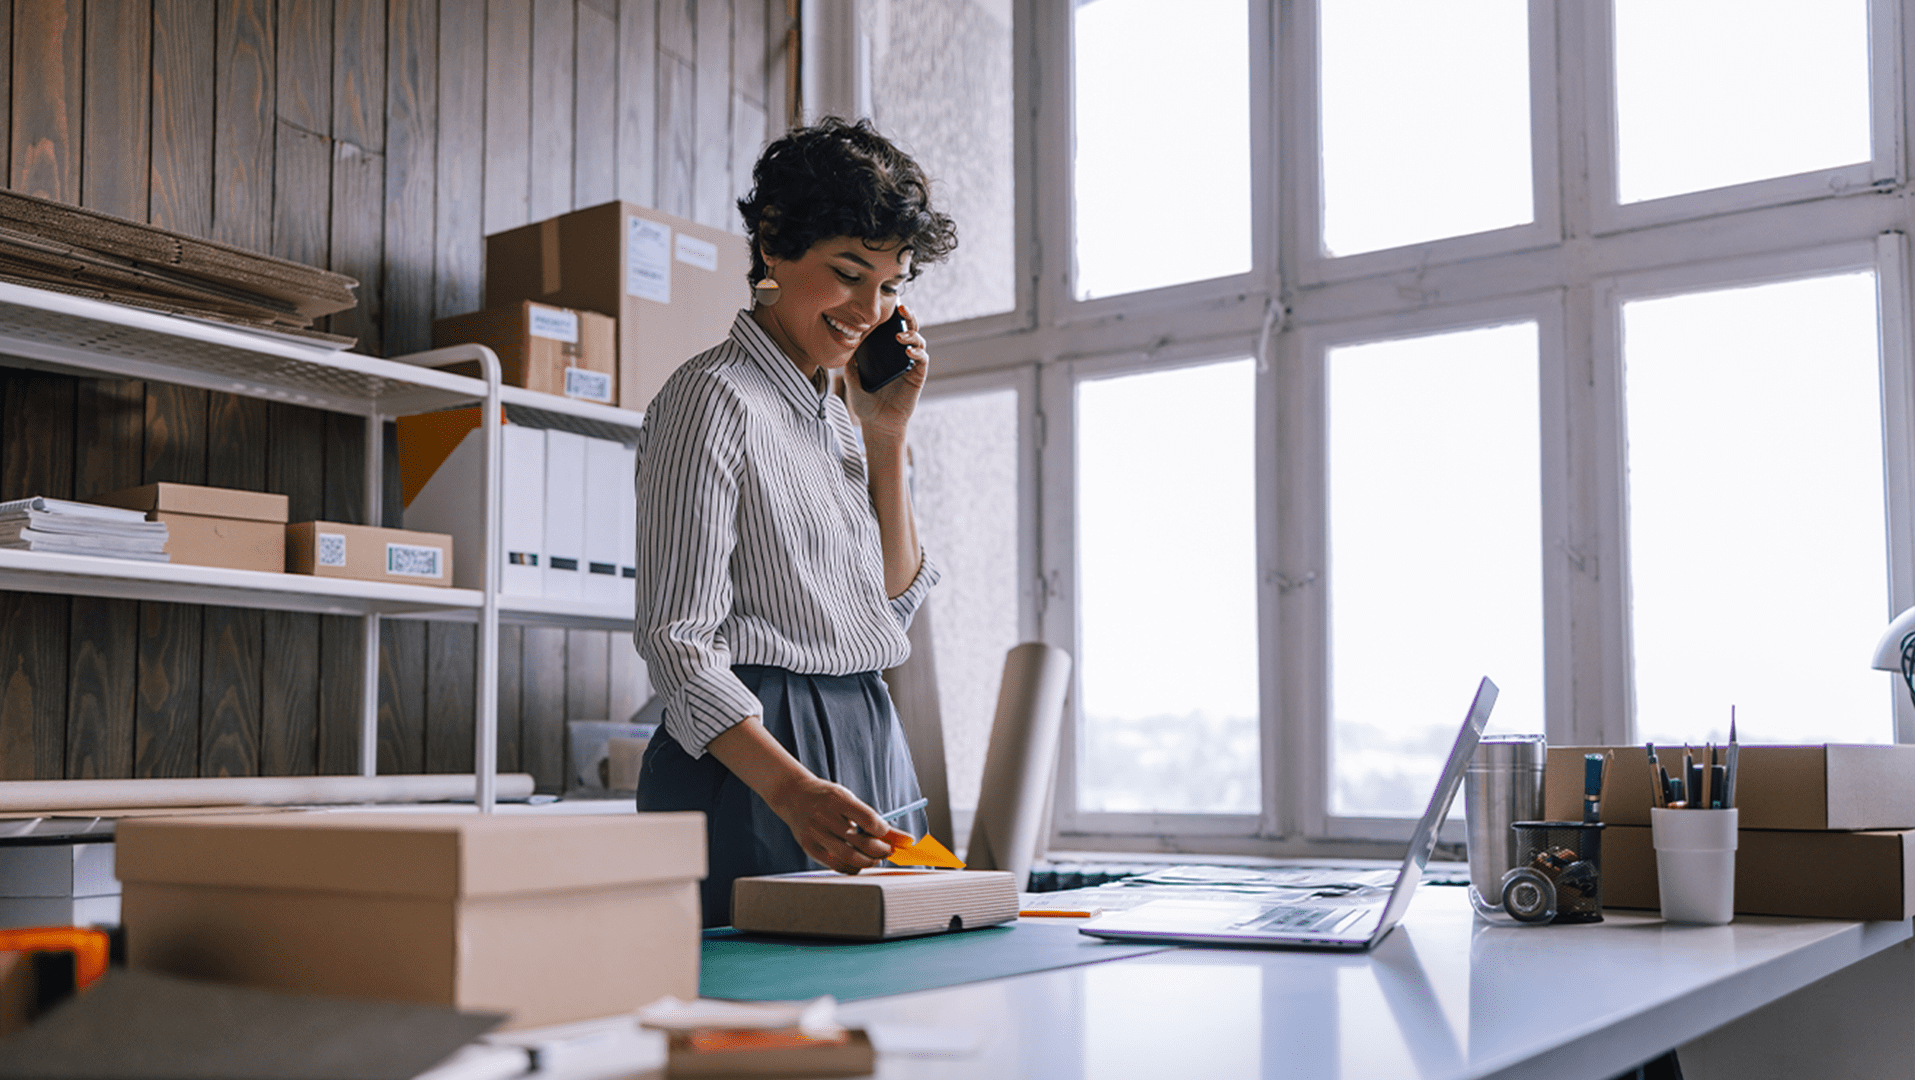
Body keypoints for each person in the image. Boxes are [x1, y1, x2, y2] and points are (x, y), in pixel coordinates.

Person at [632, 117, 958, 927]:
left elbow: (887, 610)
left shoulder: (841, 415)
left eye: (890, 285)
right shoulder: (710, 398)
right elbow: (678, 643)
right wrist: (790, 789)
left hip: (866, 732)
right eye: (849, 274)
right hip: (755, 758)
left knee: (878, 1008)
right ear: (774, 247)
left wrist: (887, 436)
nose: (868, 309)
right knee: (752, 1018)